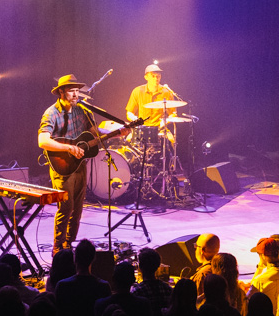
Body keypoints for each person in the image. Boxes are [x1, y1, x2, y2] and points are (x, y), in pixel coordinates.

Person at [39, 75, 126, 254]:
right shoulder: (51, 113)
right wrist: (68, 148)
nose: (75, 94)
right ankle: (58, 248)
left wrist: (116, 133)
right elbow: (42, 141)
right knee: (66, 207)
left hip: (80, 165)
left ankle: (69, 245)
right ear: (61, 92)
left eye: (77, 90)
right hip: (61, 167)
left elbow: (96, 133)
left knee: (78, 208)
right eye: (71, 90)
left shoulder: (83, 110)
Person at [125, 63, 178, 127]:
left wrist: (165, 122)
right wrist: (135, 120)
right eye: (153, 76)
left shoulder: (166, 92)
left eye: (158, 76)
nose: (156, 78)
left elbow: (173, 113)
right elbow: (129, 113)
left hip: (160, 129)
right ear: (146, 77)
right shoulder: (137, 91)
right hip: (142, 128)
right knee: (128, 137)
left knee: (170, 137)